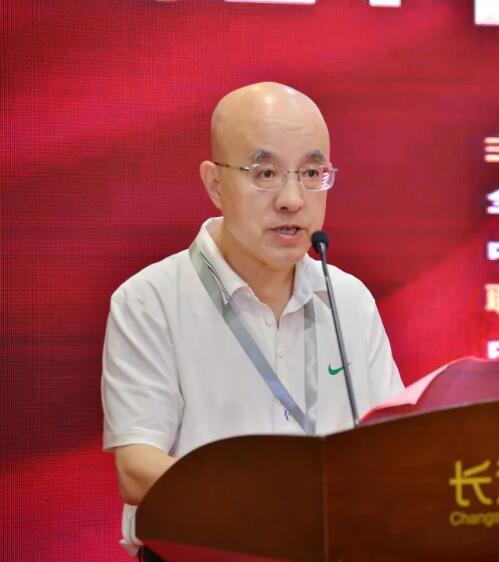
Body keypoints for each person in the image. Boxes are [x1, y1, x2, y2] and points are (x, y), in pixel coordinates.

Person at [101, 82, 404, 558]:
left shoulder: (349, 299)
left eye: (312, 173)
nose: (292, 199)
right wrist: (266, 503)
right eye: (265, 173)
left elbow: (392, 447)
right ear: (215, 185)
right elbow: (136, 468)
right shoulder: (149, 300)